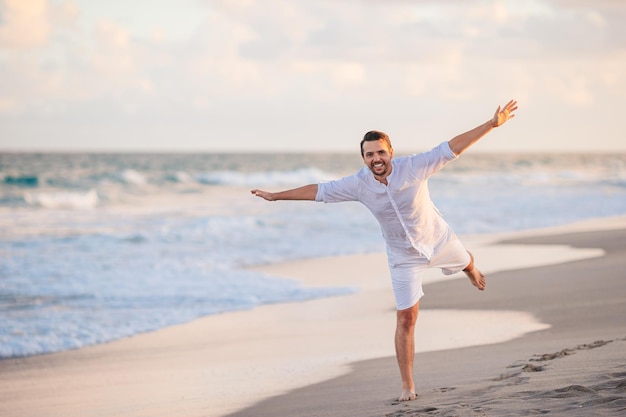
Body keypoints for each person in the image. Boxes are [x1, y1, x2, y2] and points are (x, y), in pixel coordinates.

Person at [250, 100, 518, 401]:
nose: (375, 158)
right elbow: (319, 191)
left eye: (380, 152)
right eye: (369, 154)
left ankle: (470, 268)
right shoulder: (358, 184)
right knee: (406, 318)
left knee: (466, 261)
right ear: (363, 158)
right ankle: (408, 386)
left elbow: (451, 147)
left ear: (390, 151)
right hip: (403, 258)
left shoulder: (415, 166)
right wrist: (275, 196)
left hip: (438, 240)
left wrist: (491, 124)